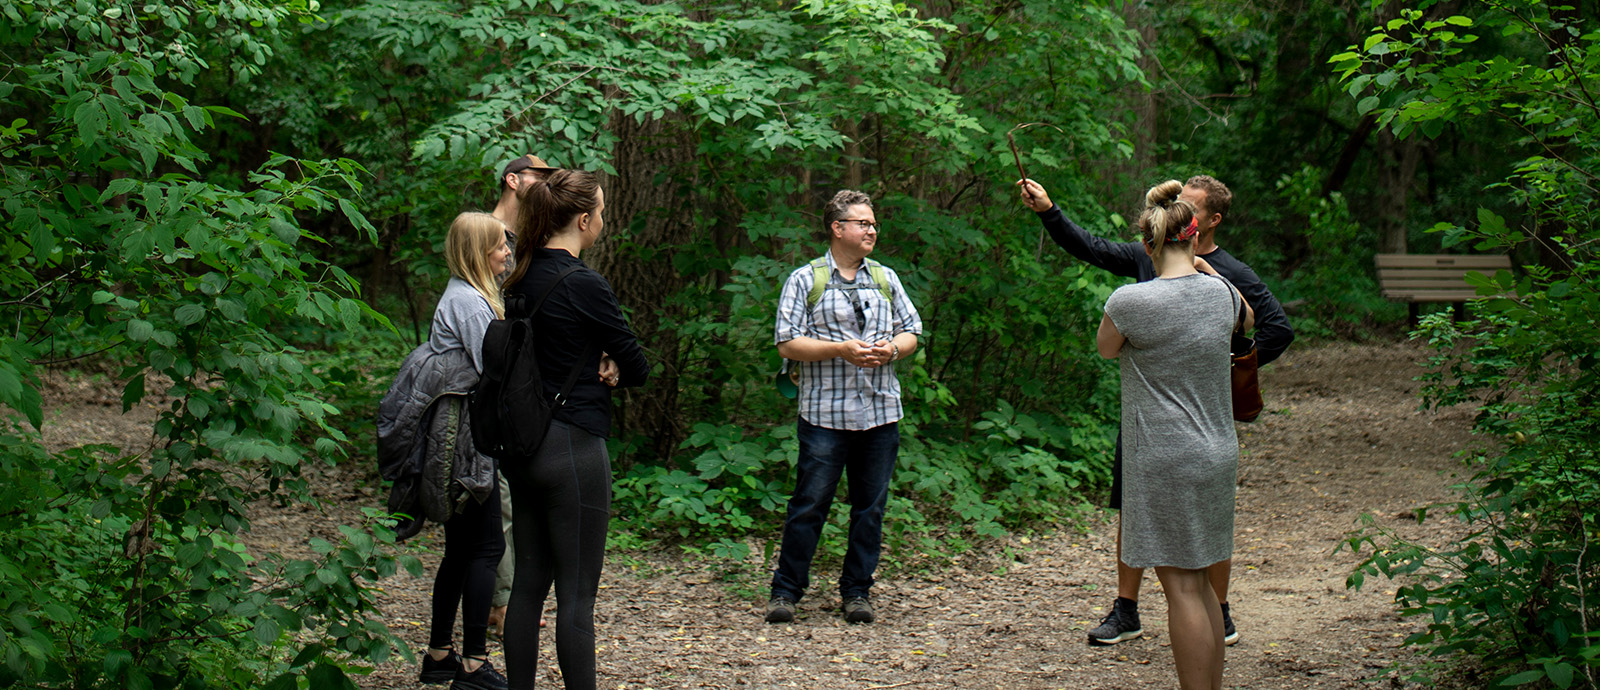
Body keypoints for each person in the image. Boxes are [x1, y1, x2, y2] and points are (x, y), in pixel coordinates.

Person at [1018, 174, 1293, 647]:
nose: (1178, 209)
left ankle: (1219, 612)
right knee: (1134, 508)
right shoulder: (1145, 265)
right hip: (1146, 418)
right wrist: (1048, 210)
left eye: (1190, 205)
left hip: (1201, 415)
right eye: (1177, 202)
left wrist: (1223, 372)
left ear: (1211, 221)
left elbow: (1275, 329)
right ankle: (1127, 609)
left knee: (1205, 522)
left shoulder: (1230, 277)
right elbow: (1092, 248)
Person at [1097, 180, 1253, 690]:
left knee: (1181, 587)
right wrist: (1210, 274)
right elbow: (1249, 320)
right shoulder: (1224, 295)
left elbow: (1106, 348)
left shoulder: (1131, 301)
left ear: (1149, 244)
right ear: (1194, 237)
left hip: (1165, 456)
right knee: (1204, 581)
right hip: (1217, 451)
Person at [500, 169, 648, 690]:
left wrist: (600, 355)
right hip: (574, 447)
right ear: (584, 221)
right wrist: (611, 359)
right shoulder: (584, 283)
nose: (603, 220)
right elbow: (639, 365)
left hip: (522, 445)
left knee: (526, 588)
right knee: (577, 596)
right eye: (602, 212)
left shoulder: (517, 275)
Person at [764, 189, 923, 625]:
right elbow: (787, 342)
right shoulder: (805, 280)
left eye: (873, 223)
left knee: (870, 508)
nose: (872, 229)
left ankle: (857, 593)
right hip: (824, 416)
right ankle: (786, 592)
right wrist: (841, 349)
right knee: (809, 503)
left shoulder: (886, 278)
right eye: (863, 223)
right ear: (838, 229)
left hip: (880, 412)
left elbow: (912, 330)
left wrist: (891, 350)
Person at [410, 212, 515, 690]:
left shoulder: (462, 295)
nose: (507, 254)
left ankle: (438, 655)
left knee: (459, 550)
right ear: (478, 253)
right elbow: (494, 374)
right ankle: (473, 662)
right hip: (466, 442)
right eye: (499, 247)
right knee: (486, 547)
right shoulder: (472, 305)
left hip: (454, 438)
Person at [485, 153, 573, 637]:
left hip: (534, 386)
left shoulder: (538, 241)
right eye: (540, 177)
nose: (547, 184)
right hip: (494, 378)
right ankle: (500, 604)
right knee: (495, 498)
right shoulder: (484, 233)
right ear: (513, 179)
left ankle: (510, 597)